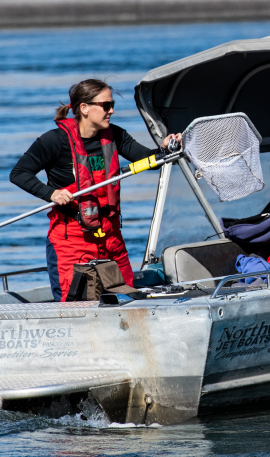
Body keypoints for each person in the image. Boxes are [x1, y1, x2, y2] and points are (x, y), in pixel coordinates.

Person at [11, 79, 179, 301]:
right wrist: (52, 194)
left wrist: (165, 148)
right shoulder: (54, 141)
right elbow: (19, 173)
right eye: (105, 105)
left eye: (112, 105)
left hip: (111, 238)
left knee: (129, 301)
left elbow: (149, 159)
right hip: (72, 241)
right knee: (77, 307)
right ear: (84, 108)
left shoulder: (115, 135)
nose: (111, 111)